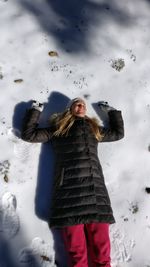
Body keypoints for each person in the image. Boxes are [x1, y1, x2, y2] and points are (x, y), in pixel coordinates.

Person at [21, 97, 124, 267]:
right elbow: (29, 135)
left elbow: (118, 133)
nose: (80, 105)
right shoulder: (59, 129)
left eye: (83, 104)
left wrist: (111, 111)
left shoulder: (94, 129)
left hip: (96, 197)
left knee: (102, 257)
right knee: (77, 258)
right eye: (77, 103)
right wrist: (36, 111)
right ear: (70, 109)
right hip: (68, 197)